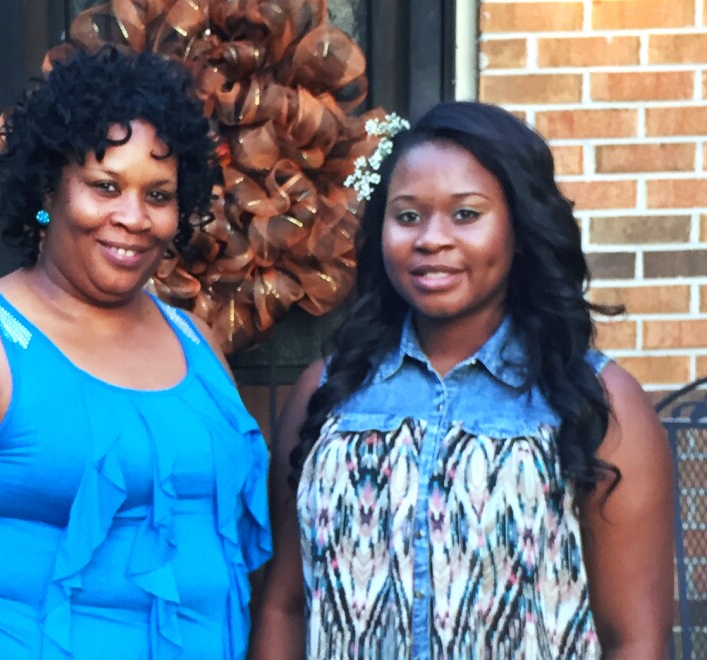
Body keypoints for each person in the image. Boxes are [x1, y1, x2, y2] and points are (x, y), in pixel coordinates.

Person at [0, 46, 271, 659]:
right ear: (50, 187)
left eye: (158, 195)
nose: (132, 217)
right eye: (104, 186)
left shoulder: (196, 342)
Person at [251, 102, 673, 659]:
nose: (431, 239)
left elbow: (636, 640)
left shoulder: (600, 407)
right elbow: (284, 606)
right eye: (407, 216)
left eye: (466, 215)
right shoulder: (328, 394)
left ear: (520, 227)